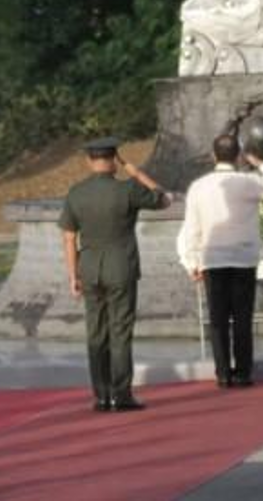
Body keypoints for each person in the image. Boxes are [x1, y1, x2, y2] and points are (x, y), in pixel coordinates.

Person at [59, 138, 171, 412]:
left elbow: (69, 238)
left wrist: (73, 274)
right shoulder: (128, 189)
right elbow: (165, 198)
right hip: (121, 267)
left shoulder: (76, 193)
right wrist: (136, 173)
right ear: (115, 161)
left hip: (90, 269)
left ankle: (101, 395)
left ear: (89, 161)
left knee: (96, 333)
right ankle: (121, 395)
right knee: (120, 332)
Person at [176, 133, 263, 387]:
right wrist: (262, 164)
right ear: (238, 156)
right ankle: (243, 372)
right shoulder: (248, 181)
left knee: (217, 319)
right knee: (242, 317)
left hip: (212, 258)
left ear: (213, 155)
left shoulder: (199, 186)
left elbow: (192, 227)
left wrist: (193, 262)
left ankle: (223, 373)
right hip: (243, 257)